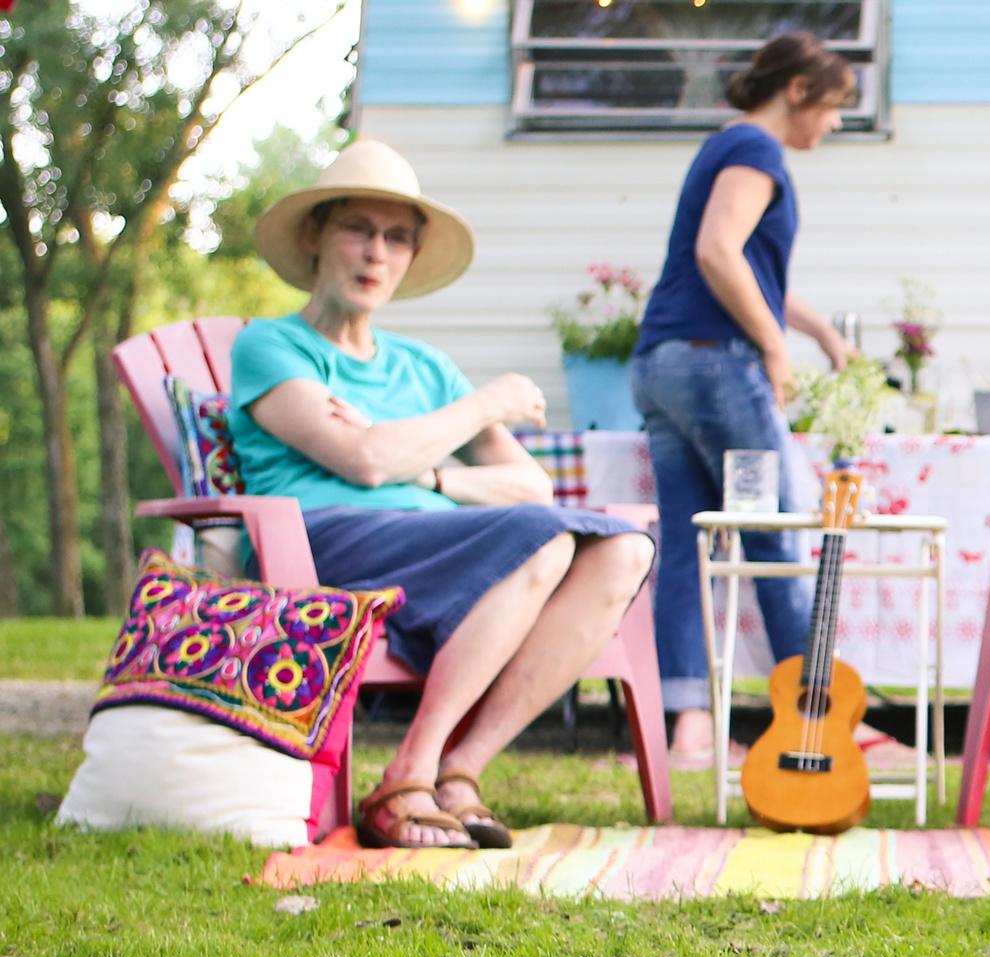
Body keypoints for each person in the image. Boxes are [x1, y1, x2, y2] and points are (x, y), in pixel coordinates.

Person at [232, 139, 657, 850]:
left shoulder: (423, 368)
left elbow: (529, 484)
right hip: (318, 545)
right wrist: (484, 403)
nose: (376, 253)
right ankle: (409, 771)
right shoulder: (273, 347)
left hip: (439, 547)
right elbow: (362, 462)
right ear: (315, 235)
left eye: (396, 238)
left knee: (620, 552)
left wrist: (429, 472)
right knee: (542, 536)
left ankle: (458, 771)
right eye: (357, 230)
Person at [632, 32, 864, 765]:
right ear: (798, 89)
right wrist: (771, 346)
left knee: (690, 547)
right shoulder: (758, 150)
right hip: (715, 365)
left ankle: (692, 729)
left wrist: (819, 328)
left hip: (663, 363)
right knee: (776, 539)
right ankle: (817, 724)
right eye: (834, 107)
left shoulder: (724, 146)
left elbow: (744, 267)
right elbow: (717, 252)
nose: (835, 123)